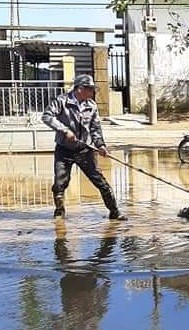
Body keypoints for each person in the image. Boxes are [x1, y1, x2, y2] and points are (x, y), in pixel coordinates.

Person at [42, 74, 127, 221]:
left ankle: (115, 212)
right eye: (90, 89)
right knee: (59, 184)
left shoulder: (91, 106)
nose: (92, 92)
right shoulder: (62, 101)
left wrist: (100, 145)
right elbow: (47, 116)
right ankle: (59, 212)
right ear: (80, 89)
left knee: (100, 181)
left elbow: (95, 129)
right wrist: (64, 130)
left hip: (85, 150)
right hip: (64, 150)